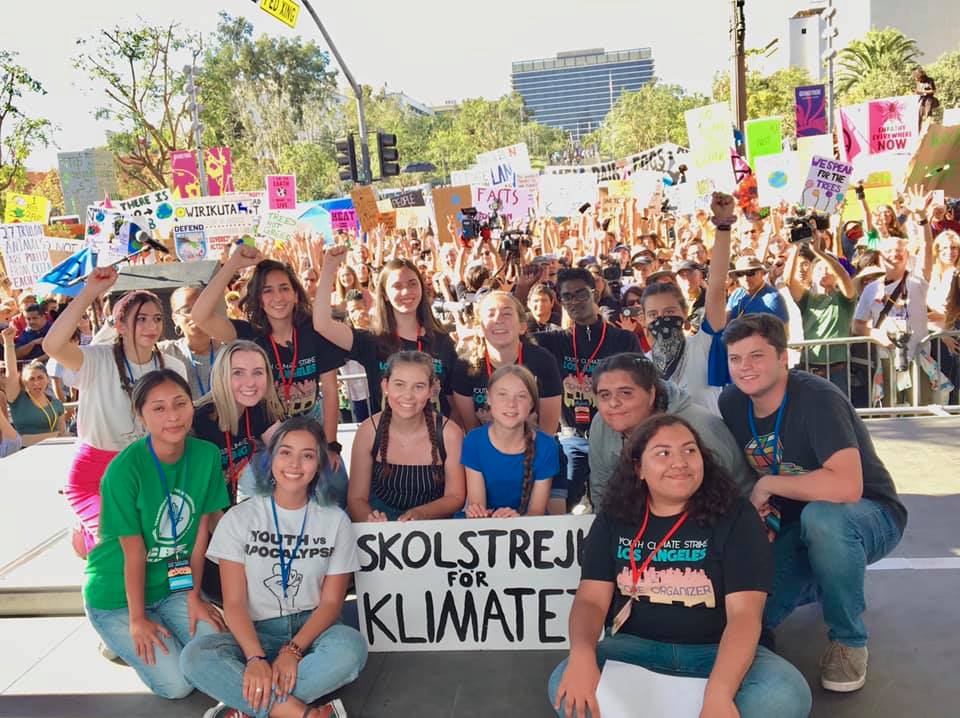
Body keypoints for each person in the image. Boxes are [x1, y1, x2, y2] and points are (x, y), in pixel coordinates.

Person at [549, 414, 811, 718]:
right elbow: (591, 600)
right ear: (639, 468)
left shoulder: (737, 516)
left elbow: (744, 617)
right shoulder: (613, 518)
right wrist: (581, 656)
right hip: (634, 651)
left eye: (690, 450)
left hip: (715, 652)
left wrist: (719, 694)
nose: (680, 462)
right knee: (564, 681)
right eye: (663, 453)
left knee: (785, 695)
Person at [720, 314, 906, 692]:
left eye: (756, 356)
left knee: (826, 520)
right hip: (794, 522)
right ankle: (829, 578)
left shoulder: (818, 399)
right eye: (736, 359)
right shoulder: (732, 403)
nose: (745, 368)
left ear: (783, 357)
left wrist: (769, 484)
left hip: (867, 517)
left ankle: (849, 641)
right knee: (749, 616)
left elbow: (847, 487)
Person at [180, 416, 366, 718]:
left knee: (351, 648)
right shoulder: (239, 519)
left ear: (319, 464)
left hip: (314, 630)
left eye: (307, 455)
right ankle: (298, 712)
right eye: (285, 452)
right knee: (195, 658)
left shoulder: (336, 521)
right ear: (271, 459)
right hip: (257, 630)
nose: (295, 464)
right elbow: (235, 603)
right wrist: (254, 658)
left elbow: (332, 604)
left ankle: (246, 706)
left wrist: (292, 651)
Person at [84, 370, 228, 699]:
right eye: (159, 408)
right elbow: (133, 553)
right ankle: (114, 636)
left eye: (180, 403)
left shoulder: (205, 455)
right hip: (117, 596)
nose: (173, 416)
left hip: (172, 586)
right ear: (141, 415)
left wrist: (193, 595)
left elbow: (200, 533)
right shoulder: (124, 470)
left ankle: (158, 628)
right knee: (178, 684)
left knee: (217, 653)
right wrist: (137, 620)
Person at [42, 267, 188, 556]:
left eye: (157, 319)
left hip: (146, 470)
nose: (152, 326)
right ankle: (86, 532)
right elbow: (53, 345)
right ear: (120, 325)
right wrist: (89, 293)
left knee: (152, 549)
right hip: (93, 475)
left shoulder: (173, 368)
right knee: (116, 549)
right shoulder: (97, 359)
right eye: (141, 319)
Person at [191, 245, 346, 468]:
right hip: (263, 437)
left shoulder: (315, 332)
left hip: (312, 430)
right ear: (258, 298)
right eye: (267, 290)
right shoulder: (248, 334)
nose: (278, 297)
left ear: (295, 294)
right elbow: (200, 316)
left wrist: (331, 445)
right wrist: (232, 265)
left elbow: (331, 391)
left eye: (284, 288)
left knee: (334, 486)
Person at [534, 268, 641, 512]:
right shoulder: (553, 341)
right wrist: (521, 289)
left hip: (615, 436)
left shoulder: (623, 340)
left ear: (595, 292)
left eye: (581, 294)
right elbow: (515, 338)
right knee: (565, 498)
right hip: (573, 437)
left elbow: (641, 388)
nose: (575, 301)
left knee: (619, 504)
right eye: (567, 297)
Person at [314, 245, 460, 418]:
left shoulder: (442, 341)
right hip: (388, 440)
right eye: (397, 286)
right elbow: (322, 324)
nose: (406, 291)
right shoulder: (371, 341)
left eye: (412, 284)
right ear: (384, 294)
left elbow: (453, 406)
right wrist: (328, 268)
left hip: (436, 439)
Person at [588, 353, 750, 508]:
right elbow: (602, 490)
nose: (613, 403)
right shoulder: (601, 424)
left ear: (651, 394)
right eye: (605, 395)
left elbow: (719, 498)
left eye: (625, 393)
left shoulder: (697, 428)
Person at [347, 351, 465, 522]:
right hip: (381, 522)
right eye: (399, 385)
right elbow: (356, 498)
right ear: (385, 386)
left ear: (431, 391)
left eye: (418, 386)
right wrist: (371, 521)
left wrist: (421, 514)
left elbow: (456, 497)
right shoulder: (368, 431)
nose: (408, 395)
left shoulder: (449, 434)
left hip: (434, 524)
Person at [452, 291, 562, 433]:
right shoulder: (465, 366)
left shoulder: (543, 361)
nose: (498, 319)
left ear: (522, 326)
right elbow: (472, 429)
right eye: (491, 314)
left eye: (507, 313)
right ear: (479, 328)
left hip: (535, 447)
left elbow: (548, 430)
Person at [192, 340, 286, 504]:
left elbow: (287, 449)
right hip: (200, 515)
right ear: (222, 375)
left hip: (228, 508)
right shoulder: (199, 421)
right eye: (238, 373)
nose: (250, 382)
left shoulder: (258, 408)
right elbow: (196, 493)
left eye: (257, 372)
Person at [463, 365, 559, 518]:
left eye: (521, 396)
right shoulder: (473, 441)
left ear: (532, 403)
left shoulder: (546, 446)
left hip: (528, 528)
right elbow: (477, 505)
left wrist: (515, 520)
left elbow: (536, 512)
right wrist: (480, 513)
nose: (511, 404)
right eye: (502, 394)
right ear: (488, 398)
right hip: (485, 526)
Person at [785, 239, 858, 395]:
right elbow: (788, 280)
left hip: (837, 370)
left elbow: (844, 277)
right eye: (819, 269)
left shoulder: (845, 299)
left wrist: (819, 252)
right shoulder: (808, 299)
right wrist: (796, 246)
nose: (824, 272)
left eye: (828, 269)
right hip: (809, 368)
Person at [159, 286, 222, 400]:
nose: (195, 316)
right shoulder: (164, 352)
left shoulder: (228, 353)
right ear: (175, 319)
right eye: (187, 310)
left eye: (201, 308)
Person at [2, 346, 65, 445]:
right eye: (31, 379)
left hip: (52, 450)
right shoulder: (17, 399)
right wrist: (8, 342)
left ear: (47, 379)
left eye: (40, 378)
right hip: (24, 451)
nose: (36, 383)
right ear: (24, 382)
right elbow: (11, 373)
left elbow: (62, 434)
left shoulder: (56, 403)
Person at [726, 256, 789, 326]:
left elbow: (782, 332)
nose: (746, 278)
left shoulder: (773, 299)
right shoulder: (736, 294)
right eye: (740, 274)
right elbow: (723, 324)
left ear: (762, 273)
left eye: (750, 273)